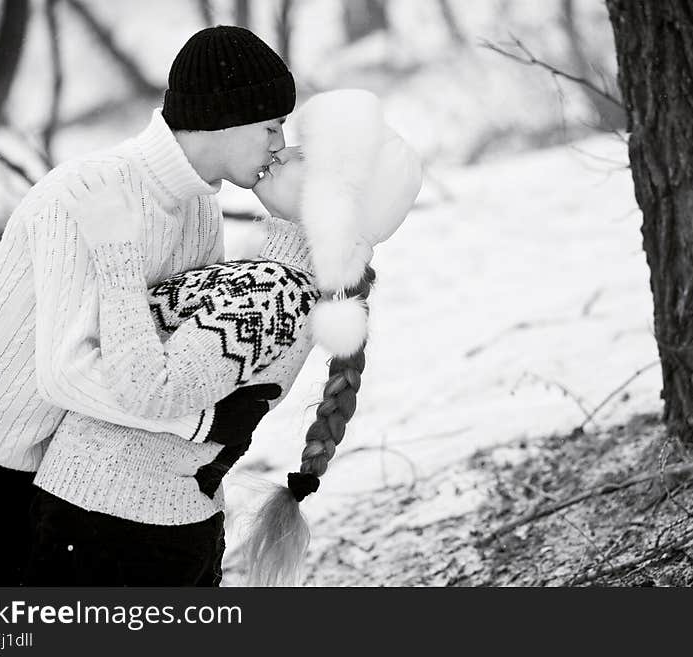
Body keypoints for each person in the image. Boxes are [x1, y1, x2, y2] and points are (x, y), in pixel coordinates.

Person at [0, 25, 295, 586]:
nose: (279, 144)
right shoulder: (87, 193)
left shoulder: (198, 209)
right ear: (225, 116)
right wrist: (202, 421)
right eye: (271, 125)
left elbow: (162, 352)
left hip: (57, 469)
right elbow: (65, 375)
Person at [24, 89, 423, 586]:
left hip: (118, 531)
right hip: (119, 521)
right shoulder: (272, 280)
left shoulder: (273, 292)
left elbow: (152, 389)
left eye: (306, 156)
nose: (283, 151)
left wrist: (116, 250)